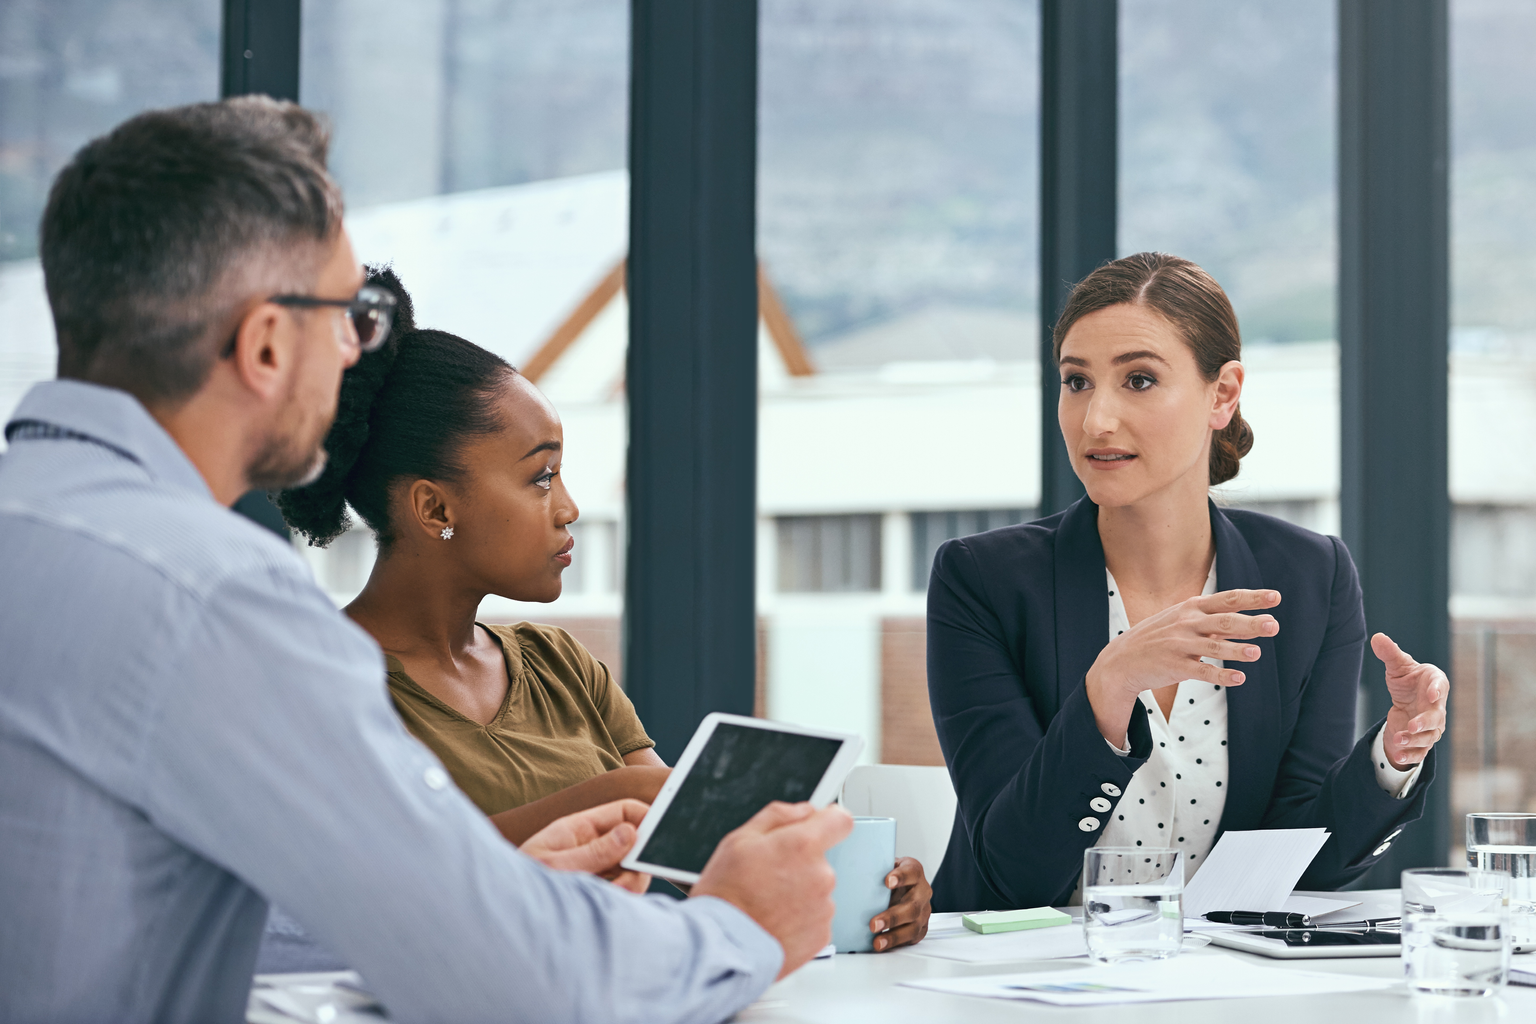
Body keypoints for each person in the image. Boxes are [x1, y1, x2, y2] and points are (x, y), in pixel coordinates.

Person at [0, 97, 850, 1024]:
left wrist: (498, 888)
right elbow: (514, 983)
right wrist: (741, 926)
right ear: (267, 343)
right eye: (348, 315)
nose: (358, 352)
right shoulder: (213, 596)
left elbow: (138, 896)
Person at [271, 266, 933, 952]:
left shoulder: (560, 664)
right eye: (539, 477)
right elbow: (394, 875)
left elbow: (687, 842)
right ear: (436, 507)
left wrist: (868, 885)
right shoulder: (327, 682)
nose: (568, 509)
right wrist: (612, 795)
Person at [926, 252, 1450, 912]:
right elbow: (1013, 871)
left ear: (1223, 394)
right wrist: (1108, 687)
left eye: (1138, 380)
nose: (1095, 421)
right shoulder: (982, 581)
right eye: (1077, 382)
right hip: (1022, 986)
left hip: (1215, 987)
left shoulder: (1311, 576)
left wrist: (1392, 755)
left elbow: (1306, 857)